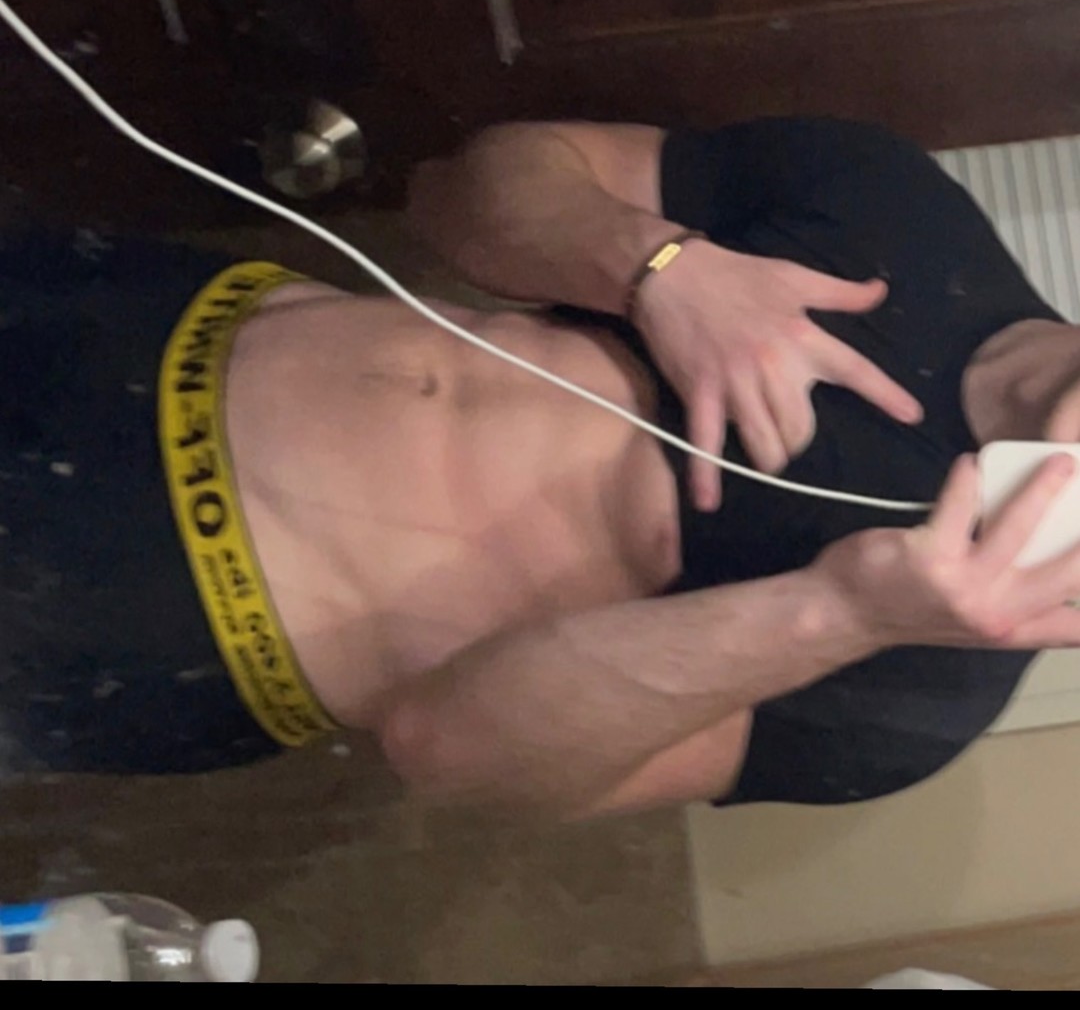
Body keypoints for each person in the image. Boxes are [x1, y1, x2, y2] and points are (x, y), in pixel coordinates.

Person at [4, 116, 1080, 816]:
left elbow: (450, 753)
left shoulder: (931, 681)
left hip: (153, 616)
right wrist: (652, 262)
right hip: (135, 320)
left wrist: (839, 613)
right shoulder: (899, 207)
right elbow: (453, 194)